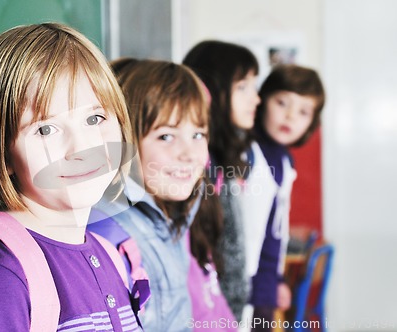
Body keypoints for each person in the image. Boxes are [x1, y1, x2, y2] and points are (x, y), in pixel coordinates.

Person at [0, 23, 143, 331]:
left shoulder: (108, 254)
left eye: (95, 119)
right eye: (46, 129)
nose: (81, 149)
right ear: (3, 151)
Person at [93, 59, 236, 331]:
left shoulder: (167, 219)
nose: (189, 153)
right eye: (166, 137)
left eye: (198, 134)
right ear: (124, 140)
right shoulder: (107, 237)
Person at [183, 40, 263, 323]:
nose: (256, 99)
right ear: (212, 92)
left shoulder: (225, 156)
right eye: (243, 87)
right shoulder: (198, 164)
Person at [249, 64, 325, 331]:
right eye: (282, 103)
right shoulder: (247, 151)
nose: (290, 116)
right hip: (243, 283)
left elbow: (275, 229)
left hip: (267, 282)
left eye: (303, 112)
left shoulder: (284, 159)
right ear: (262, 101)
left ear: (311, 123)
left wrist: (278, 279)